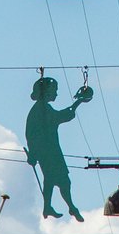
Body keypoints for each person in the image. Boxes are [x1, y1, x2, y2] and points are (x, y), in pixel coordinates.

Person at [24, 75, 95, 220]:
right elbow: (61, 117)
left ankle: (52, 207)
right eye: (54, 90)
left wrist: (33, 153)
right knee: (62, 180)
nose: (56, 93)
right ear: (46, 92)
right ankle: (69, 207)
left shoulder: (42, 108)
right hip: (48, 152)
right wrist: (79, 102)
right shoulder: (41, 109)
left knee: (52, 180)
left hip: (50, 150)